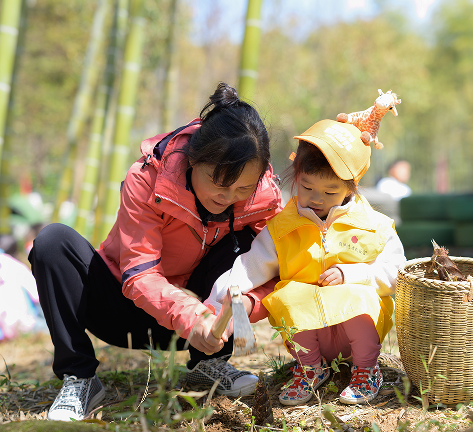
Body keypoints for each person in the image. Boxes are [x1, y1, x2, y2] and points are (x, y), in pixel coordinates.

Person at [28, 82, 283, 421]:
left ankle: (207, 365)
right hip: (124, 310)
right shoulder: (148, 178)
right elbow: (140, 274)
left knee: (252, 244)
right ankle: (80, 377)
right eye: (219, 183)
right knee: (52, 242)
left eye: (243, 188)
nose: (228, 197)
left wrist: (241, 311)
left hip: (205, 329)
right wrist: (194, 318)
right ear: (194, 159)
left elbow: (278, 270)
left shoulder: (264, 200)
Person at [206, 119, 406, 406]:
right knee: (286, 294)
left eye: (330, 192)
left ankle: (365, 369)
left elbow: (399, 274)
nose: (315, 199)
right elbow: (249, 267)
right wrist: (217, 304)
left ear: (352, 187)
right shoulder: (283, 228)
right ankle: (310, 368)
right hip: (311, 333)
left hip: (358, 332)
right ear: (296, 176)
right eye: (307, 186)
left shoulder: (375, 227)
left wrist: (354, 274)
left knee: (357, 294)